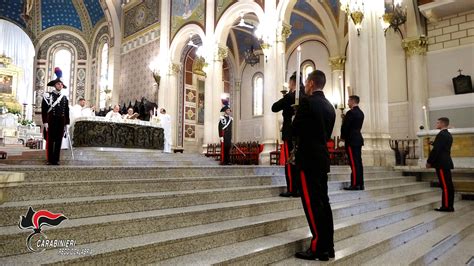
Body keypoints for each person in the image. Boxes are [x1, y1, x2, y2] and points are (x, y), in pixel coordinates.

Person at [292, 70, 336, 261]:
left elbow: (295, 130)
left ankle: (318, 246)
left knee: (312, 204)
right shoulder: (330, 107)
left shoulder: (307, 103)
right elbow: (326, 135)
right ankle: (329, 246)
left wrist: (295, 115)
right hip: (322, 158)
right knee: (323, 203)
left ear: (310, 83)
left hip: (308, 159)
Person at [272, 72, 302, 197]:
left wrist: (286, 96)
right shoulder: (306, 96)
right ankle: (299, 188)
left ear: (292, 83)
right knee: (299, 160)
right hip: (302, 134)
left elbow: (274, 107)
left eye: (289, 83)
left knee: (290, 161)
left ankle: (292, 189)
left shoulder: (291, 97)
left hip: (290, 133)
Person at [42, 67, 70, 165]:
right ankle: (50, 159)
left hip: (61, 121)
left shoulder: (65, 98)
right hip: (51, 120)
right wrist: (45, 122)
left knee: (59, 141)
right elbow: (44, 110)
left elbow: (66, 111)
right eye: (58, 84)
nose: (60, 85)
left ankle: (56, 159)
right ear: (55, 85)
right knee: (50, 141)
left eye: (61, 84)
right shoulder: (47, 96)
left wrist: (67, 123)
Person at [426, 117, 455, 212]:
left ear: (442, 124)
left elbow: (437, 150)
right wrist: (434, 143)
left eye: (438, 122)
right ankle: (450, 206)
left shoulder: (441, 134)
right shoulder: (448, 134)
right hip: (446, 162)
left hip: (441, 164)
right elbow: (442, 147)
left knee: (445, 186)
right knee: (448, 185)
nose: (437, 124)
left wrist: (429, 161)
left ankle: (446, 207)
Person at [341, 95, 365, 190]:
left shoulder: (350, 113)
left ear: (352, 101)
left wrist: (343, 138)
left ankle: (354, 184)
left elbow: (346, 127)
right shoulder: (361, 113)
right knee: (358, 162)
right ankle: (360, 184)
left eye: (348, 101)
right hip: (358, 139)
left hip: (351, 140)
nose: (347, 103)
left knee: (353, 163)